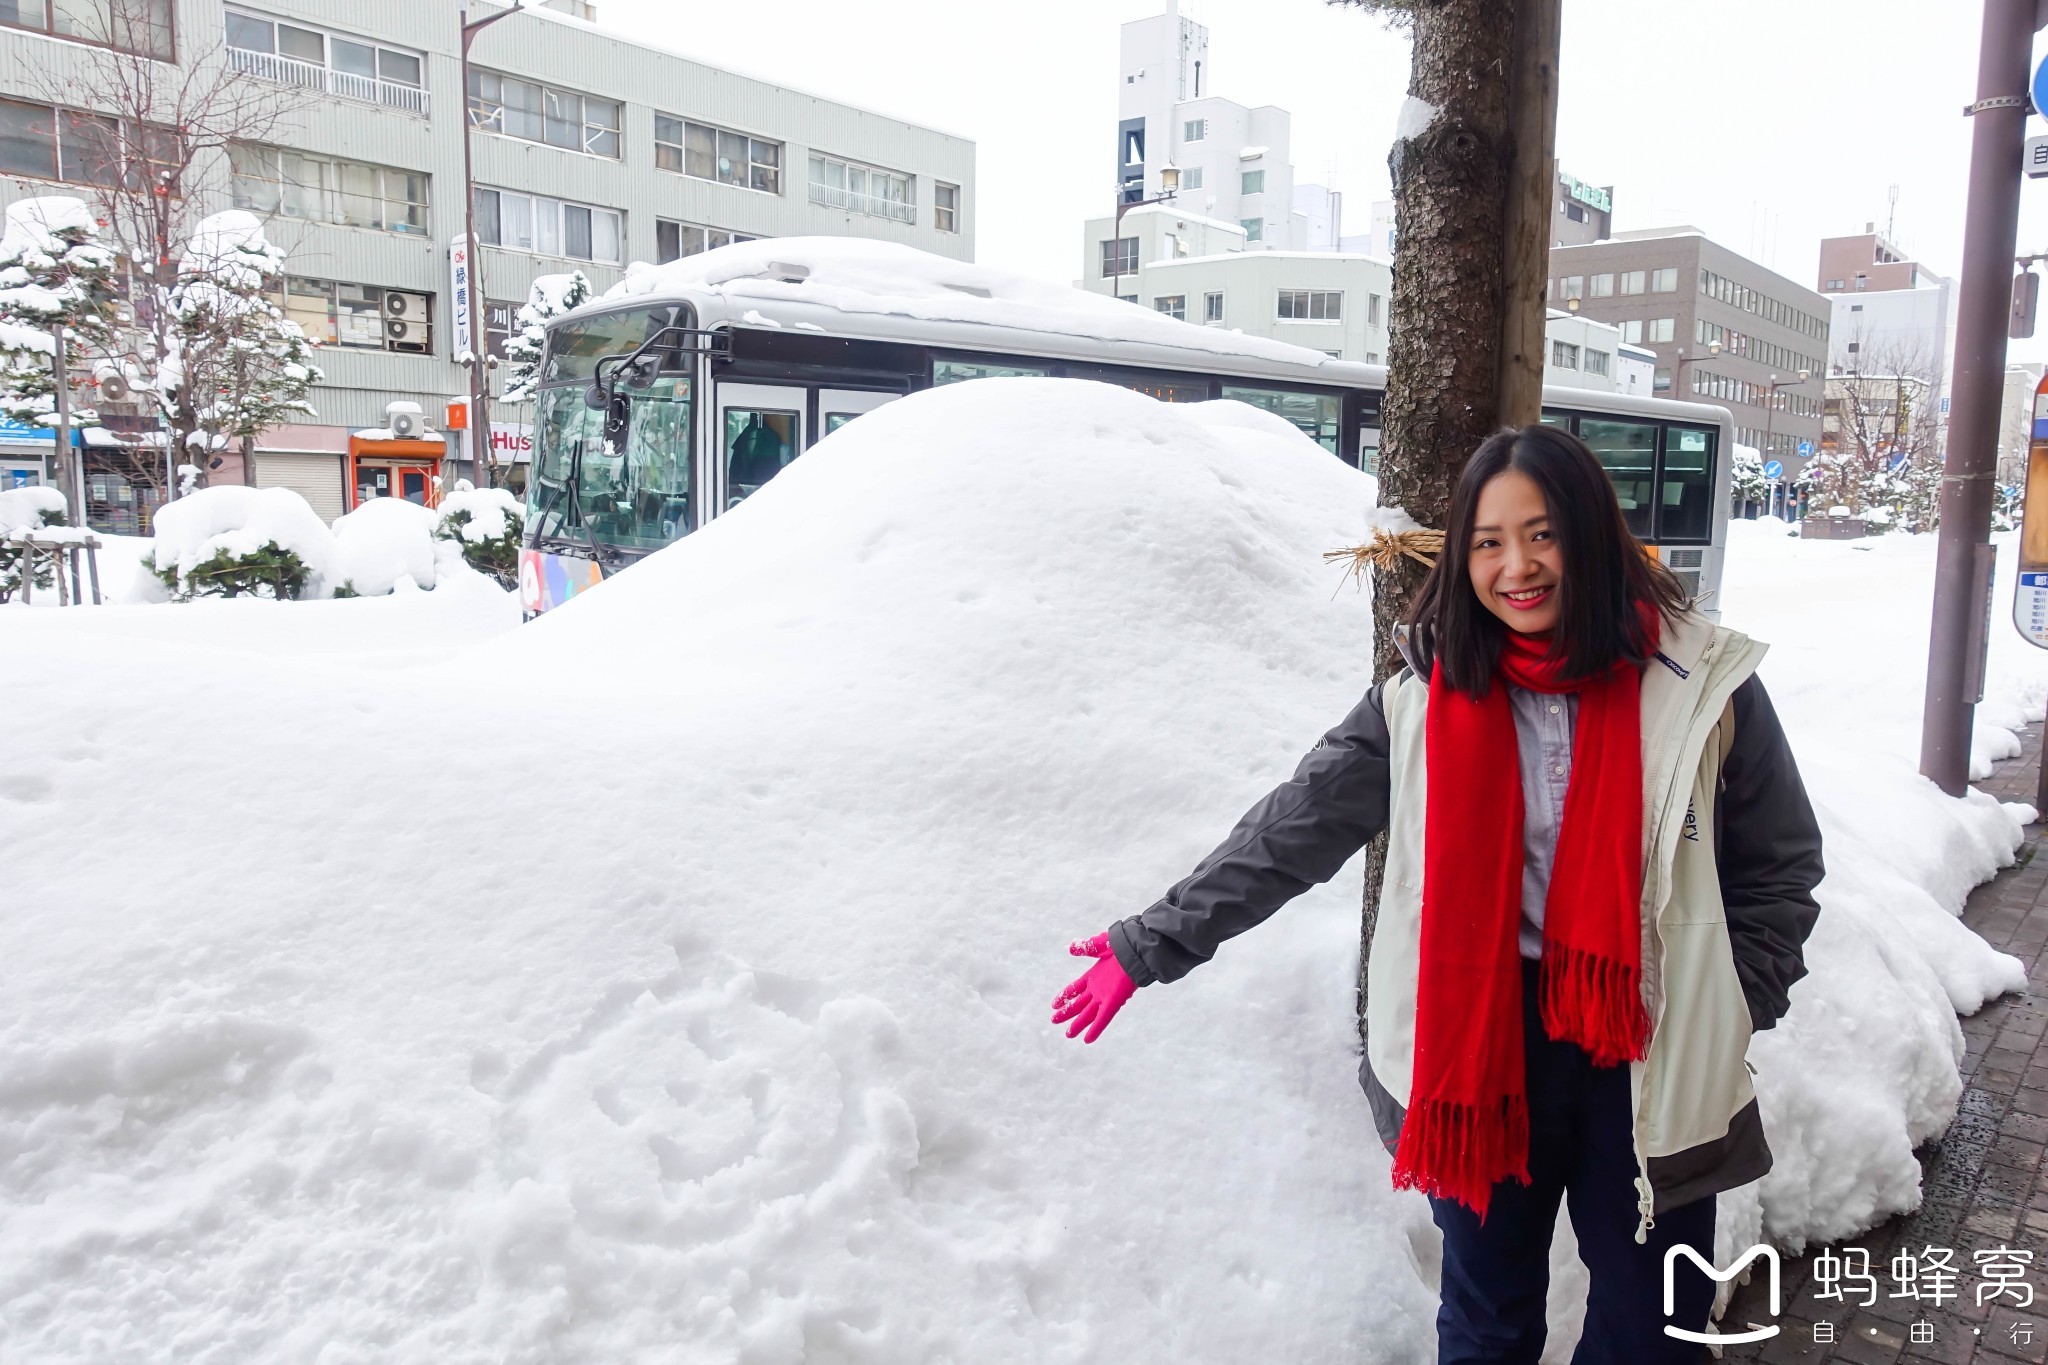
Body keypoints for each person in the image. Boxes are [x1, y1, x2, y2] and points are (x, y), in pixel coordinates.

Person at [1051, 424, 1823, 1363]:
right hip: (1484, 1051)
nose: (1517, 567)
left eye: (1542, 534)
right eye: (1489, 541)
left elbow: (1778, 859)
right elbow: (1288, 834)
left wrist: (1731, 1004)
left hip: (1648, 1047)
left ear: (1589, 533)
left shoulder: (1699, 682)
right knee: (1487, 1322)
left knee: (1651, 1332)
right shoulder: (1416, 702)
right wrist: (1149, 944)